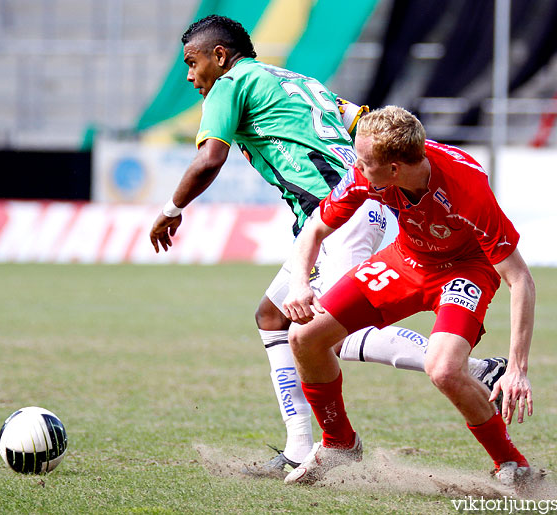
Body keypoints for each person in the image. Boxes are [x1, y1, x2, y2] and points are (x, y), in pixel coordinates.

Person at [148, 15, 508, 478]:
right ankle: (299, 446)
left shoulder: (230, 83)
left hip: (339, 213)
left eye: (192, 63)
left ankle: (476, 371)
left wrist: (172, 208)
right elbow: (367, 122)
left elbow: (209, 157)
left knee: (332, 331)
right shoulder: (295, 79)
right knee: (273, 316)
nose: (191, 76)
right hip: (348, 209)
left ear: (219, 56)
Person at [282, 106, 536, 489]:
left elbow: (520, 279)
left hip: (466, 269)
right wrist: (300, 282)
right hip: (406, 259)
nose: (357, 168)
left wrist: (518, 369)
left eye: (365, 162)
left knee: (445, 370)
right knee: (304, 337)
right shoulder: (368, 175)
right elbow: (315, 228)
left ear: (395, 169)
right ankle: (339, 443)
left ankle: (511, 463)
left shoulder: (468, 190)